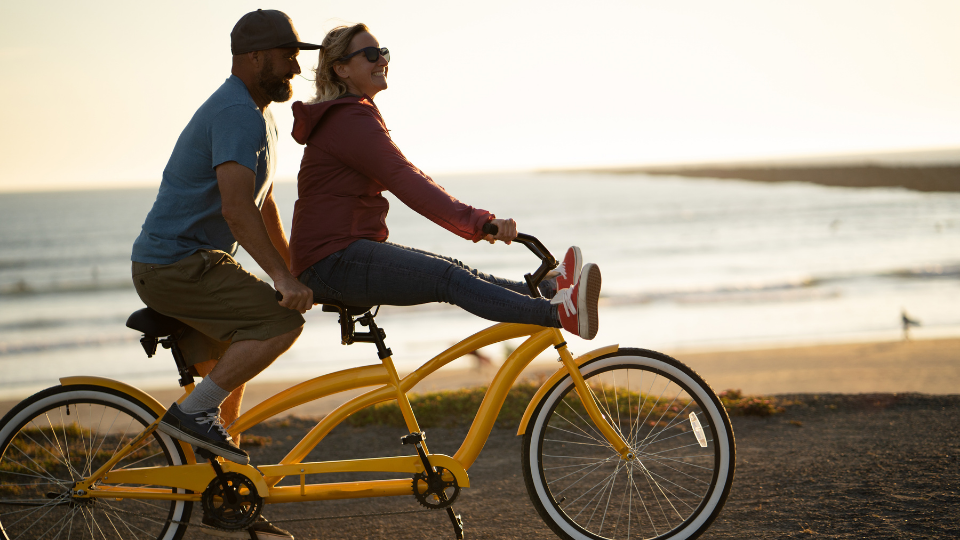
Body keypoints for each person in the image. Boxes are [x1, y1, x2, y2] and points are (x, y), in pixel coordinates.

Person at [130, 10, 319, 539]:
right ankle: (188, 423)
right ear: (254, 57)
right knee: (278, 324)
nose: (295, 64)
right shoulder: (237, 112)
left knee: (223, 383)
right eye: (287, 54)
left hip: (186, 262)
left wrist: (293, 268)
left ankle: (225, 493)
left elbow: (264, 201)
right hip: (178, 264)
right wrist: (281, 282)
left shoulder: (256, 114)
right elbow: (237, 210)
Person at [288, 23, 601, 340]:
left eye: (383, 52)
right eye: (370, 55)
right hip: (331, 262)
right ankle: (559, 313)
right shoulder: (347, 119)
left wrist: (477, 223)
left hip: (338, 254)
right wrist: (479, 222)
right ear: (341, 68)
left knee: (455, 269)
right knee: (449, 278)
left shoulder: (352, 114)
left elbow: (409, 173)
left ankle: (548, 289)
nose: (383, 61)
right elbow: (406, 180)